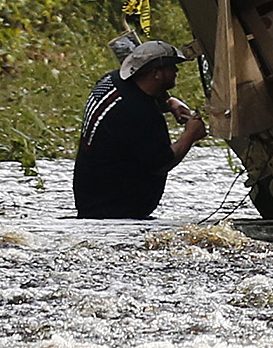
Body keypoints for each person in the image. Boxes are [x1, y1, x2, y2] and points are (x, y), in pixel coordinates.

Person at [74, 37, 205, 220]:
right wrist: (191, 134)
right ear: (156, 73)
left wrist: (169, 102)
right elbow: (162, 163)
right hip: (115, 212)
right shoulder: (137, 113)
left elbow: (139, 92)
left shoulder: (113, 81)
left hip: (92, 198)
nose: (176, 70)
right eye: (171, 66)